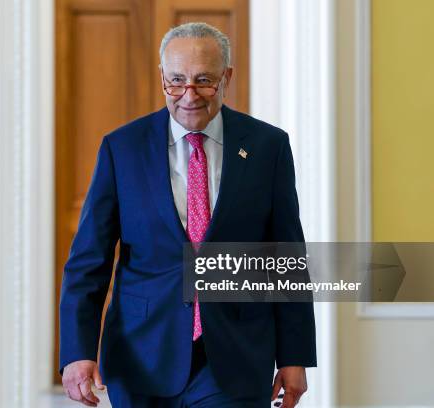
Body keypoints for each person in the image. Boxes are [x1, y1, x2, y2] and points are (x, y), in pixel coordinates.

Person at [59, 22, 316, 408]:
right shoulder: (122, 148)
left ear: (227, 77)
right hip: (142, 353)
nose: (189, 96)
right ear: (162, 77)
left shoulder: (268, 147)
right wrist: (78, 352)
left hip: (235, 354)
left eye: (204, 81)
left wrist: (294, 356)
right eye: (176, 81)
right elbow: (88, 261)